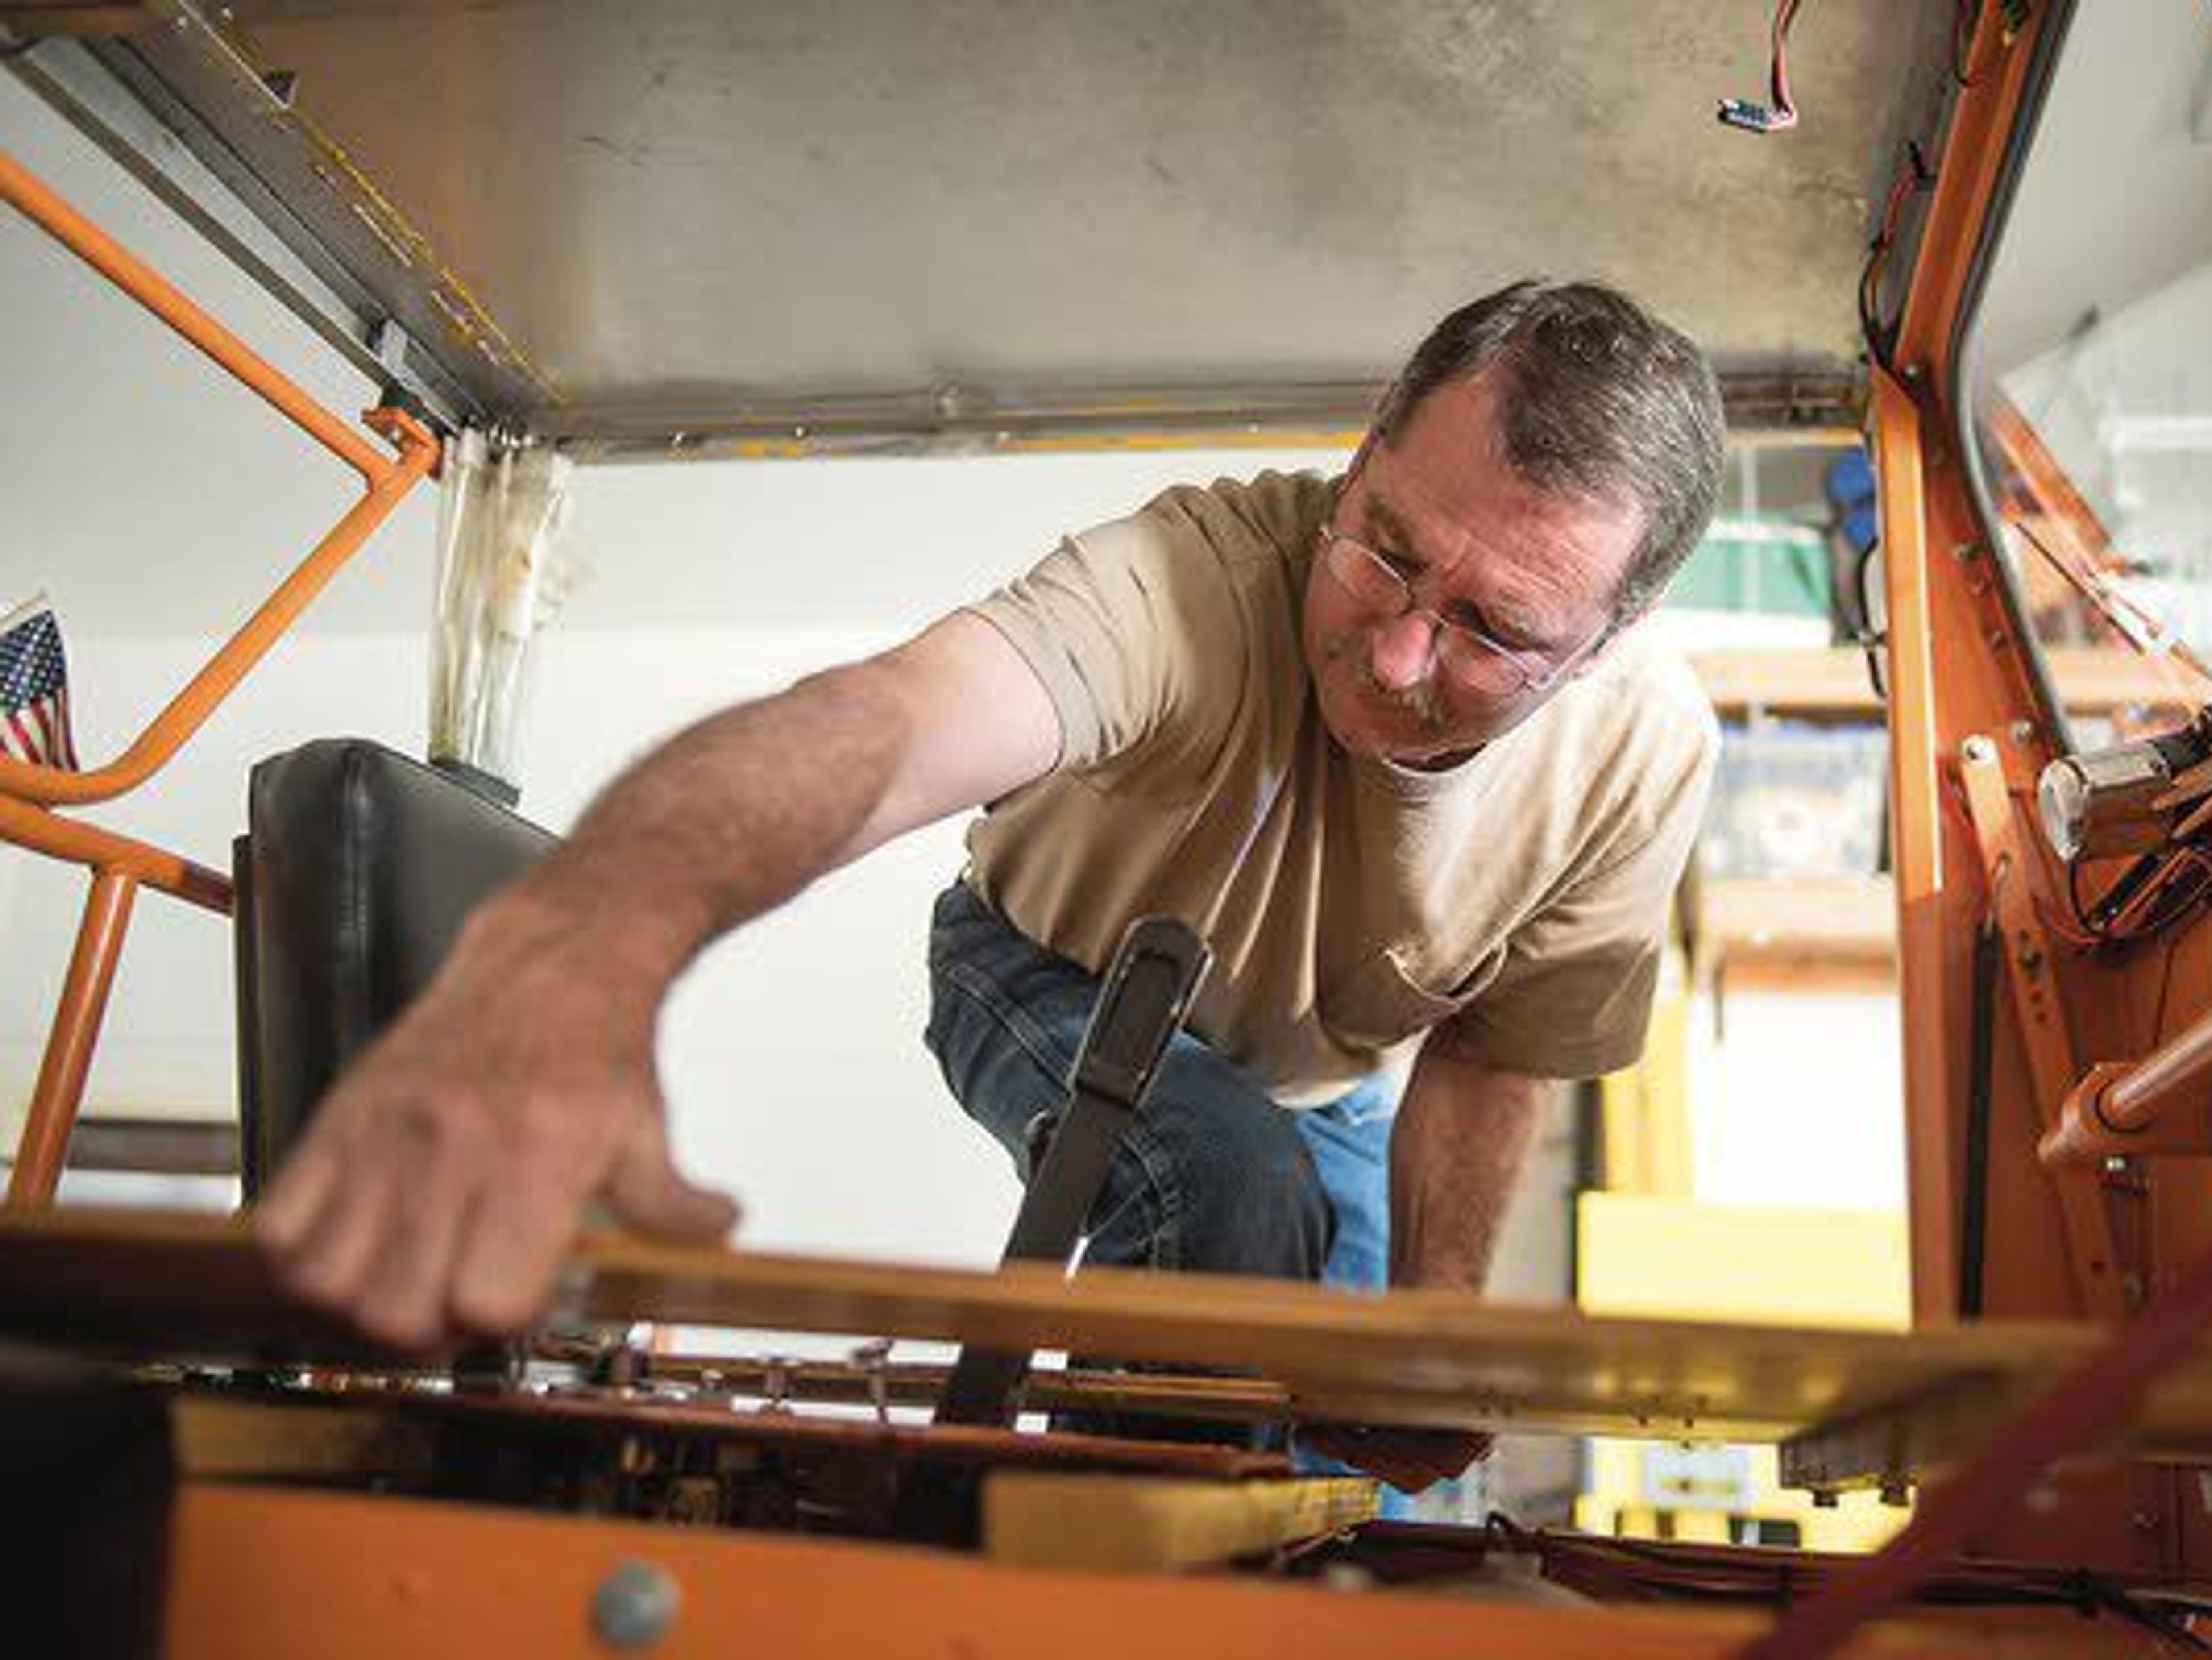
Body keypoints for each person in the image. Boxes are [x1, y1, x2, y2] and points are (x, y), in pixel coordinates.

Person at [257, 279, 1726, 1490]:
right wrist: (583, 940)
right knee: (1219, 1185)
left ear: (1609, 633)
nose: (1398, 654)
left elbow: (1493, 1047)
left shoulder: (1644, 757)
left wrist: (1442, 1312)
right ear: (1359, 464)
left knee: (1386, 1474)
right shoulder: (1189, 582)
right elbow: (883, 728)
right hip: (1040, 959)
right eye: (1387, 551)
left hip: (1328, 1077)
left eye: (1491, 628)